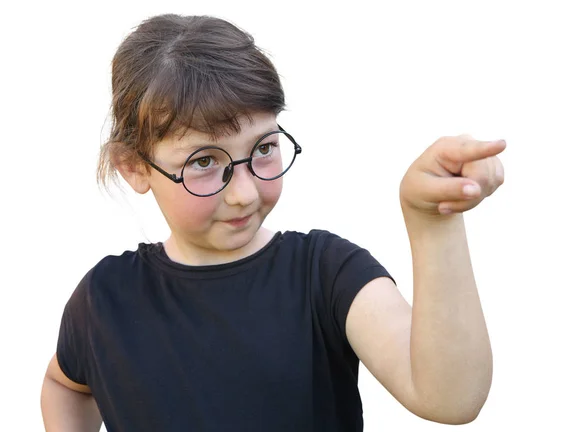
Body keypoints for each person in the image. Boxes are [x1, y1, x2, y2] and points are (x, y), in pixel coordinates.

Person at [40, 13, 506, 432]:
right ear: (135, 168)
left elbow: (451, 399)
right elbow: (64, 385)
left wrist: (433, 221)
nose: (244, 193)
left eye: (263, 149)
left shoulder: (326, 274)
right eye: (204, 161)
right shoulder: (104, 299)